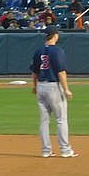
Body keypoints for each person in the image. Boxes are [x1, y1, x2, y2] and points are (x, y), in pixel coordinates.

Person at [30, 26, 76, 158]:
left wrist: (35, 86)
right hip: (53, 87)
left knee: (44, 121)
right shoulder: (58, 51)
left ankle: (46, 150)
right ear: (55, 35)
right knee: (61, 120)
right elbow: (61, 71)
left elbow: (34, 72)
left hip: (41, 86)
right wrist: (66, 89)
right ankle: (65, 150)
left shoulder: (38, 51)